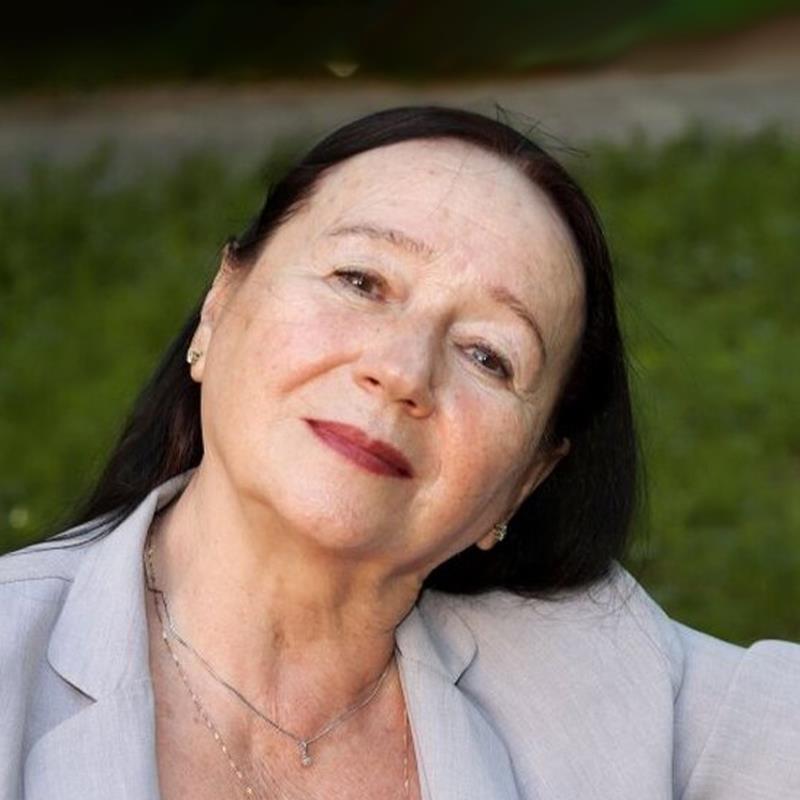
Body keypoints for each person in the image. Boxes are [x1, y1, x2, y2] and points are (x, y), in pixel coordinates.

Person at [1, 105, 797, 800]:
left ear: (526, 481)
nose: (403, 371)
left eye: (488, 355)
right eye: (361, 280)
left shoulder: (605, 673)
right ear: (220, 304)